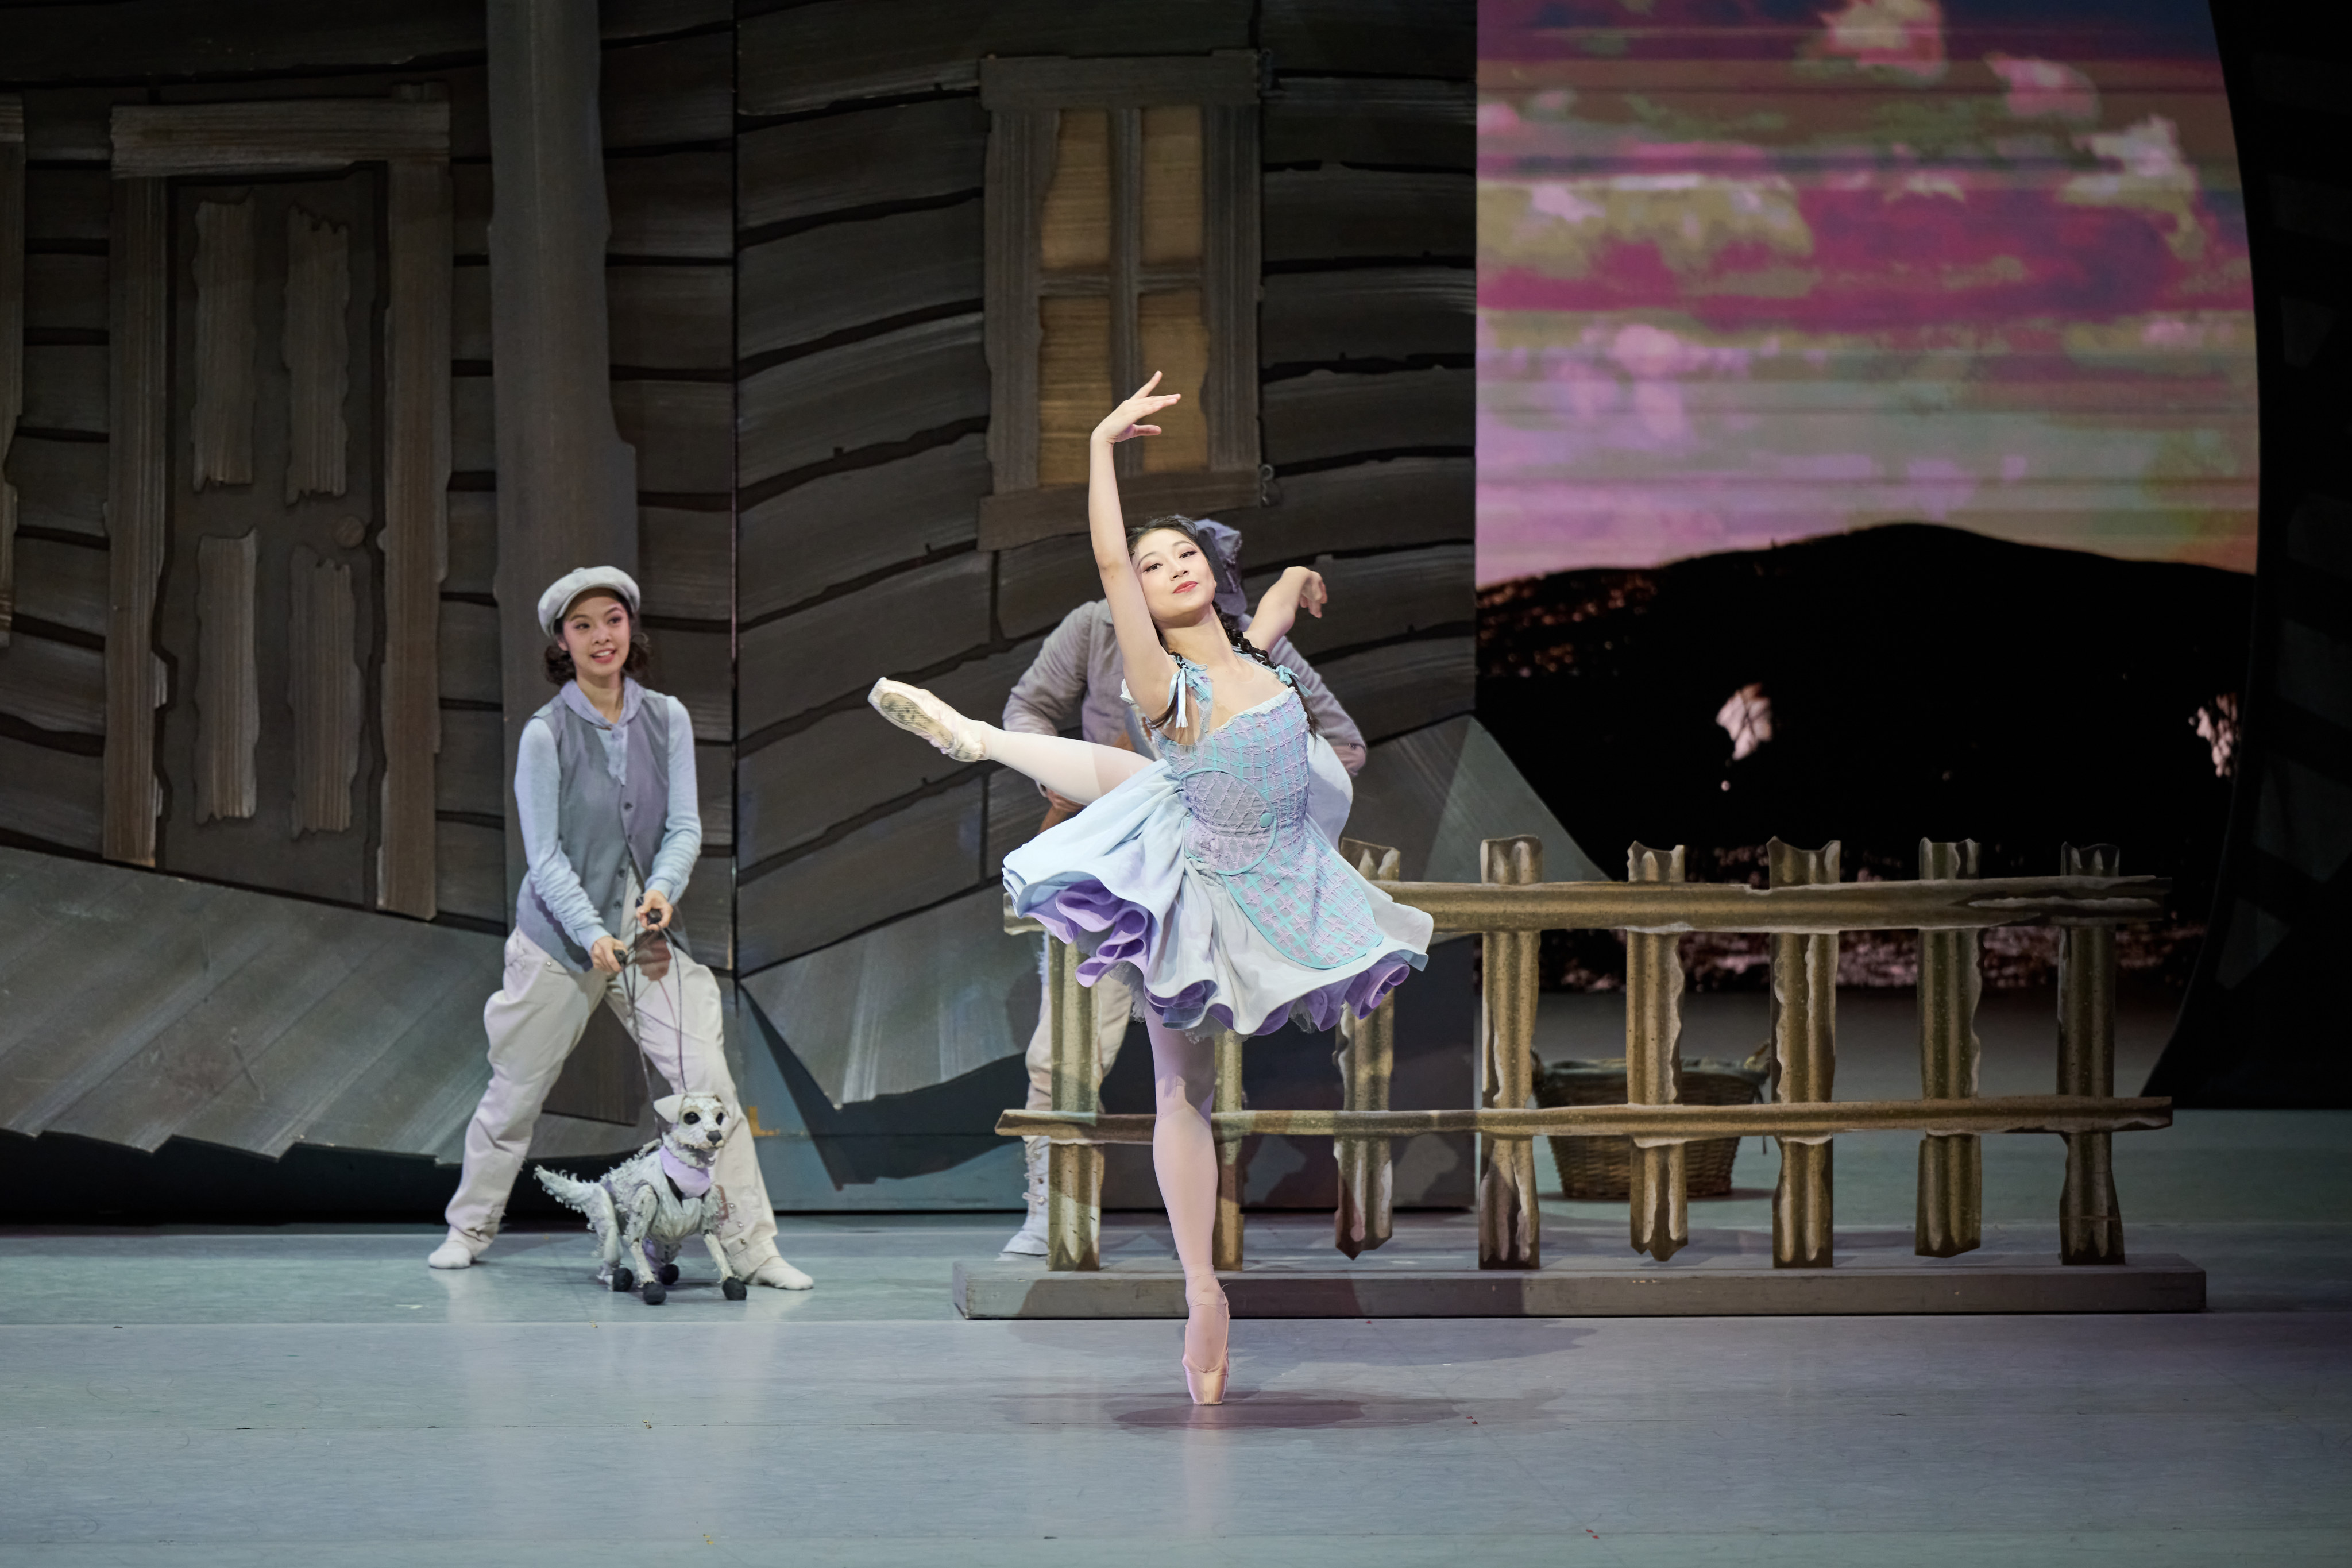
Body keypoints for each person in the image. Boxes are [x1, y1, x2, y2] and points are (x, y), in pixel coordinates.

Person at [869, 377, 1432, 1403]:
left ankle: (985, 740)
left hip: (1278, 853)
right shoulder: (1162, 683)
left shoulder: (1261, 657)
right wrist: (1095, 448)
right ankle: (1200, 1288)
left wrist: (1299, 573)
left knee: (1141, 786)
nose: (1164, 569)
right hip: (1199, 876)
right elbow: (1107, 563)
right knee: (1184, 1087)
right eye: (1149, 563)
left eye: (1183, 557)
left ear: (1210, 573)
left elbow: (1258, 614)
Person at [427, 566, 813, 1292]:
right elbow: (542, 855)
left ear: (630, 628)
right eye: (583, 626)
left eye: (612, 620)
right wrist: (587, 930)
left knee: (710, 1085)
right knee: (515, 1092)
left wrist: (664, 889)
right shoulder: (546, 734)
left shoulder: (666, 717)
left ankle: (754, 1247)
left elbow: (685, 825)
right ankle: (468, 1229)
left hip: (648, 941)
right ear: (562, 643)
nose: (601, 636)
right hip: (558, 941)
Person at [995, 520, 1368, 1258]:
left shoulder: (1245, 647)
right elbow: (1028, 707)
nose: (1179, 573)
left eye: (1192, 557)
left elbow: (1343, 743)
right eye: (1154, 564)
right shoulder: (1098, 628)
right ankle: (1052, 1208)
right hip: (1119, 868)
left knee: (1199, 1071)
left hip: (1218, 875)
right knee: (1065, 1050)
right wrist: (1078, 776)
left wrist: (1255, 797)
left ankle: (1209, 1228)